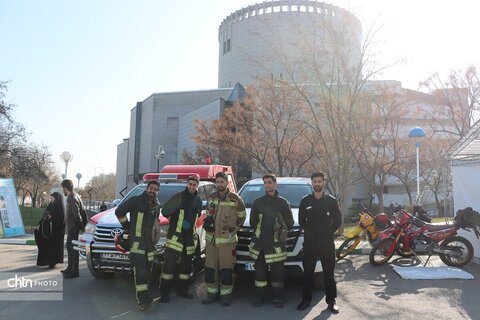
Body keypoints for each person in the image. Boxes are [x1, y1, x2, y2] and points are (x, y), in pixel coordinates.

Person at [297, 172, 342, 314]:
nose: (317, 183)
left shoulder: (331, 201)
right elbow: (301, 220)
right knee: (308, 273)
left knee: (328, 274)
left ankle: (331, 301)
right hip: (310, 244)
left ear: (324, 182)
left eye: (319, 181)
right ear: (312, 183)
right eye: (314, 181)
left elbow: (338, 220)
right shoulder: (305, 201)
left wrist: (330, 232)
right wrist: (309, 231)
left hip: (327, 244)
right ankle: (306, 300)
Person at [249, 174, 294, 308]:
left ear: (275, 184)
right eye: (265, 183)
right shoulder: (258, 202)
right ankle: (259, 298)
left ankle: (278, 298)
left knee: (277, 275)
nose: (267, 185)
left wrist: (280, 224)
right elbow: (252, 223)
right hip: (260, 245)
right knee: (260, 275)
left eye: (270, 182)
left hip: (277, 246)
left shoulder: (283, 203)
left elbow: (290, 223)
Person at [115, 180, 161, 311]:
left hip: (150, 245)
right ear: (147, 188)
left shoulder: (157, 204)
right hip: (137, 244)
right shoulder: (135, 201)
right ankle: (142, 302)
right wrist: (127, 227)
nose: (152, 191)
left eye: (155, 189)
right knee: (140, 273)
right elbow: (119, 212)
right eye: (151, 188)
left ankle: (145, 297)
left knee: (148, 273)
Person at [202, 172, 246, 306]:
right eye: (217, 182)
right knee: (210, 269)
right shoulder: (211, 198)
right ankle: (211, 295)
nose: (219, 184)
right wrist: (208, 222)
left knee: (226, 270)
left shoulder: (235, 199)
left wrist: (233, 230)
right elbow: (209, 214)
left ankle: (225, 297)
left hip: (227, 242)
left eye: (222, 182)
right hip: (211, 242)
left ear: (227, 183)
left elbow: (241, 216)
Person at [160, 175, 202, 303]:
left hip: (189, 239)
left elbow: (197, 217)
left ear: (197, 186)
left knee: (186, 267)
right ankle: (165, 294)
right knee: (169, 267)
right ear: (187, 184)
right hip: (175, 238)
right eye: (190, 184)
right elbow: (166, 211)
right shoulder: (179, 196)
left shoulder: (198, 200)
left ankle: (183, 291)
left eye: (194, 185)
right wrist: (174, 220)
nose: (192, 187)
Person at [61, 179, 85, 279]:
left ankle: (74, 271)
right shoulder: (74, 195)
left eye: (62, 188)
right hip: (72, 227)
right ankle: (70, 268)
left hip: (74, 228)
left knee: (73, 249)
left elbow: (76, 215)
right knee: (69, 247)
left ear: (66, 188)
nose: (62, 191)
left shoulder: (72, 197)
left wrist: (81, 226)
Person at [35, 192, 65, 268]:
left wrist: (51, 217)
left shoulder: (60, 207)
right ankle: (45, 260)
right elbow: (45, 214)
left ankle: (53, 261)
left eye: (53, 198)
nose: (51, 199)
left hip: (55, 231)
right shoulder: (51, 205)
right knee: (43, 243)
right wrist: (40, 223)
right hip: (47, 230)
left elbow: (59, 218)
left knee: (53, 246)